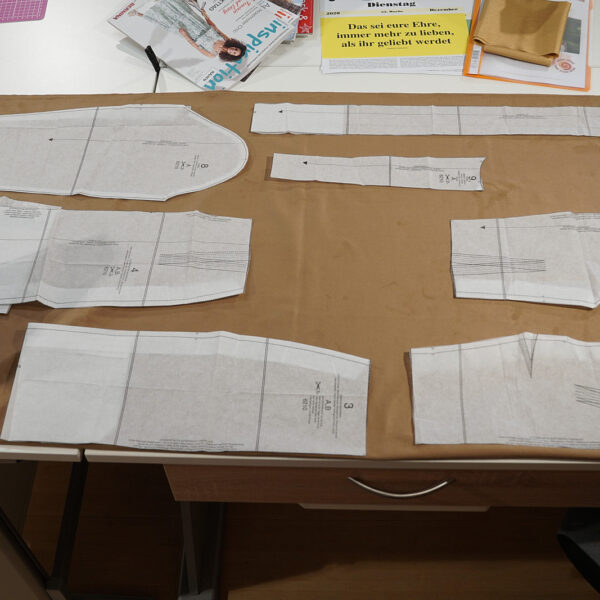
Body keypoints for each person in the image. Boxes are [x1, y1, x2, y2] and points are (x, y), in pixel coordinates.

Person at [130, 0, 247, 60]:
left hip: (190, 34)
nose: (233, 50)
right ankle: (159, 1)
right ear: (235, 46)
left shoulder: (213, 54)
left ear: (231, 56)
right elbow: (214, 27)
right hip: (198, 23)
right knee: (181, 9)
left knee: (167, 22)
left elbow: (196, 46)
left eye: (234, 53)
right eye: (236, 49)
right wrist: (205, 15)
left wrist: (185, 35)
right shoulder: (226, 39)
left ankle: (138, 14)